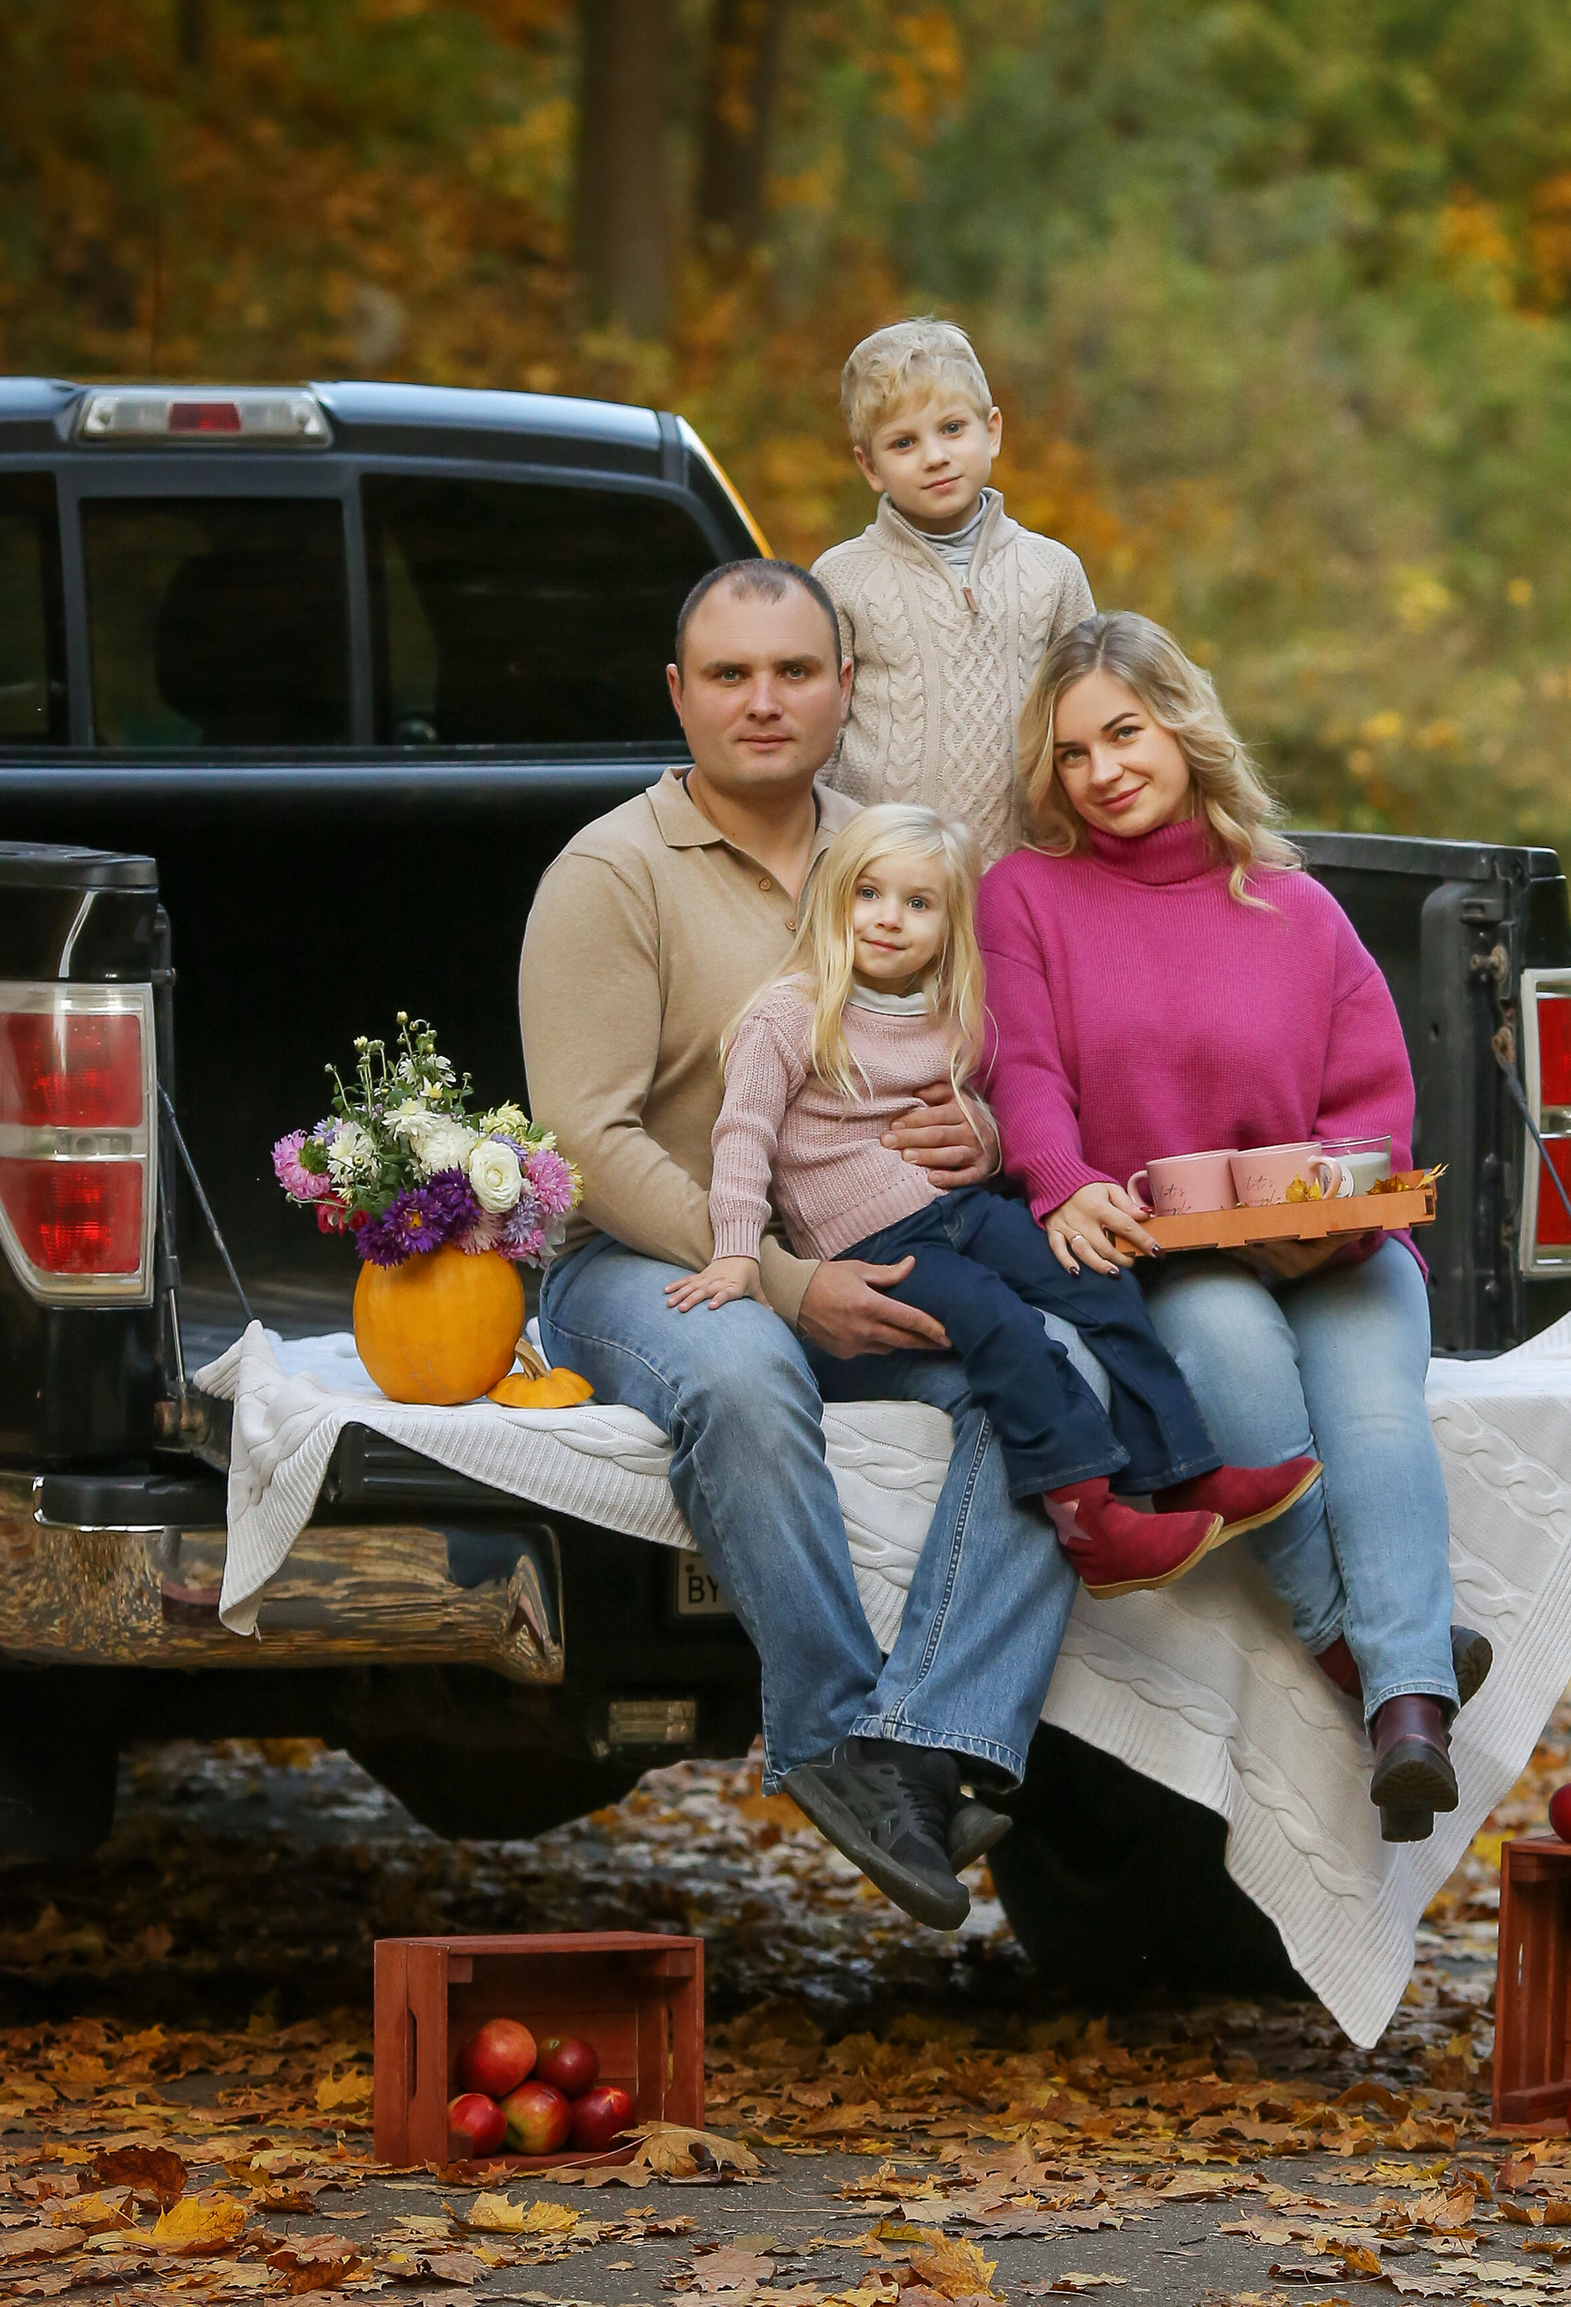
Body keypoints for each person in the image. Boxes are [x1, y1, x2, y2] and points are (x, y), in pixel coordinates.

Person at [517, 555, 1081, 1935]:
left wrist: (978, 1136)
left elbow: (981, 1055)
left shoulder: (894, 860)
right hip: (644, 1270)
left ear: (843, 689)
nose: (762, 701)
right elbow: (586, 1139)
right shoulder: (613, 871)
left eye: (793, 672)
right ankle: (829, 1732)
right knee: (744, 1367)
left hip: (876, 1245)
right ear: (679, 694)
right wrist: (779, 1282)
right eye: (729, 674)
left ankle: (929, 1738)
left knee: (1058, 1374)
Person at [977, 611, 1486, 1846]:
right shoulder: (1026, 897)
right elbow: (1022, 1071)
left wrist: (1331, 1220)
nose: (1102, 772)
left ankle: (1409, 1718)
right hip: (1178, 1255)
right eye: (1073, 753)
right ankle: (1376, 1667)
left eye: (1124, 734)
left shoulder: (1297, 907)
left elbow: (1372, 1106)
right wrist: (1060, 1180)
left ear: (1181, 725)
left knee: (1374, 1419)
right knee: (1237, 1366)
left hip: (1334, 1248)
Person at [665, 800, 1320, 1596]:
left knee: (1095, 1276)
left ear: (950, 928)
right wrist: (737, 1251)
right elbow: (743, 1136)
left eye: (918, 903)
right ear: (835, 898)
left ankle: (1184, 1471)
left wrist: (986, 1130)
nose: (888, 919)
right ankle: (1091, 1522)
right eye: (869, 893)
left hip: (961, 1209)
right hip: (872, 1242)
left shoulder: (952, 1018)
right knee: (1000, 1321)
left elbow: (990, 1110)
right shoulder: (791, 1015)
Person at [812, 316, 1094, 865]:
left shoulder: (1053, 569)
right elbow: (820, 736)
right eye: (903, 442)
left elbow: (1090, 715)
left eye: (952, 429)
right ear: (869, 465)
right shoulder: (841, 577)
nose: (934, 456)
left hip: (1026, 868)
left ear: (992, 430)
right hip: (883, 877)